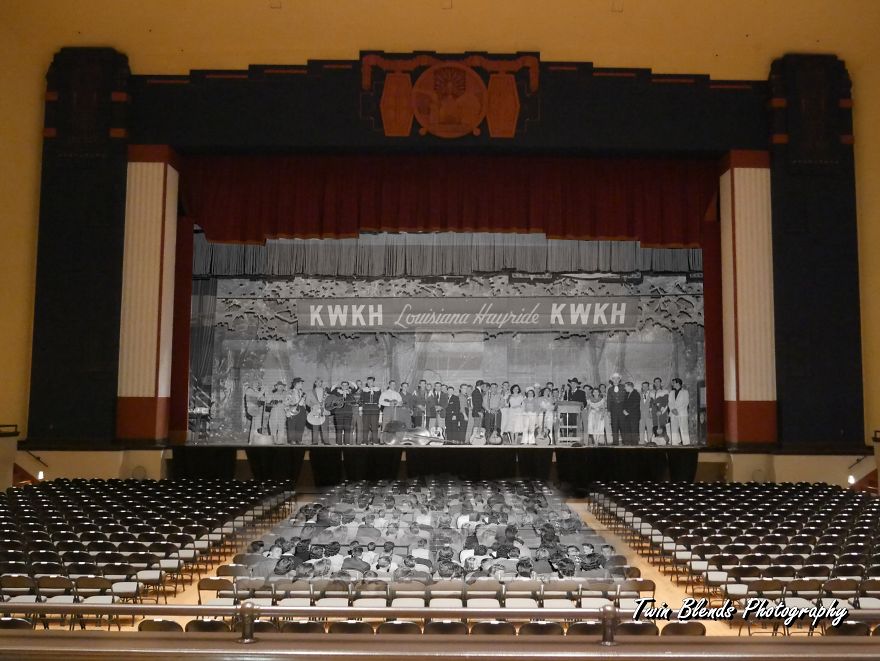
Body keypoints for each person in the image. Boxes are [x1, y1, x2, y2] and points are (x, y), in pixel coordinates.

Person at [305, 378, 331, 445]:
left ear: (322, 383)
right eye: (317, 382)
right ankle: (314, 442)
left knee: (325, 427)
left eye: (320, 382)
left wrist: (325, 405)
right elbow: (307, 402)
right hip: (315, 411)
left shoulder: (326, 392)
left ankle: (326, 442)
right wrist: (314, 405)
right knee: (315, 427)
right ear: (315, 383)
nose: (319, 383)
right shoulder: (310, 392)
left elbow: (329, 401)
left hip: (324, 411)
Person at [285, 378, 308, 445]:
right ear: (296, 384)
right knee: (292, 425)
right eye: (301, 383)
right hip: (293, 409)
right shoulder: (290, 392)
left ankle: (299, 440)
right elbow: (286, 403)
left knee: (301, 425)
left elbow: (304, 403)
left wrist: (305, 410)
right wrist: (287, 411)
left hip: (302, 410)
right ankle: (292, 440)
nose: (302, 385)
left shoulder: (302, 393)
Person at [606, 373, 627, 445]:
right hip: (613, 409)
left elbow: (627, 398)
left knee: (623, 425)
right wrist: (608, 411)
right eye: (614, 379)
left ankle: (625, 441)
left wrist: (626, 408)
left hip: (622, 408)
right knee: (614, 425)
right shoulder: (610, 389)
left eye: (617, 378)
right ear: (612, 380)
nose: (615, 380)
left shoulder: (624, 387)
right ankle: (615, 442)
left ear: (619, 379)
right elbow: (609, 400)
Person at [360, 376, 381, 445]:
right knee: (365, 425)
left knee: (375, 425)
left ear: (373, 382)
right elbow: (361, 400)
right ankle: (364, 441)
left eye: (371, 382)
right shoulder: (364, 390)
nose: (369, 383)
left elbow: (380, 399)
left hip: (375, 408)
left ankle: (375, 441)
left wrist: (379, 408)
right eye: (368, 382)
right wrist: (360, 409)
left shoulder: (378, 390)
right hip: (366, 408)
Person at [332, 381, 355, 445]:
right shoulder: (337, 393)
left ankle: (347, 443)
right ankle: (339, 443)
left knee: (347, 428)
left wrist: (349, 393)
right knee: (339, 428)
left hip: (348, 413)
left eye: (346, 385)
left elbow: (354, 402)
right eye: (343, 385)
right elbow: (331, 391)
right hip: (339, 413)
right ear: (341, 386)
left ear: (348, 386)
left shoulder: (350, 394)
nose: (344, 387)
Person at [669, 377, 691, 445]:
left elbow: (686, 403)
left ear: (678, 383)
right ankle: (675, 444)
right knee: (674, 430)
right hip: (673, 414)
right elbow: (669, 402)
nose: (672, 384)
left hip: (682, 413)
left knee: (684, 429)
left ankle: (686, 444)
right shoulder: (671, 392)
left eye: (674, 383)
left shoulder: (685, 392)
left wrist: (677, 410)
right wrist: (672, 409)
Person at [651, 378, 670, 443]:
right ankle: (657, 441)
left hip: (661, 412)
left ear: (661, 383)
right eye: (655, 382)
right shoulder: (652, 392)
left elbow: (666, 402)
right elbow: (650, 403)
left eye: (658, 382)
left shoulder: (665, 391)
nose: (657, 383)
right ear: (654, 383)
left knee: (662, 425)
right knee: (655, 425)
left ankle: (665, 441)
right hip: (654, 413)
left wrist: (661, 411)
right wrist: (650, 411)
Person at [622, 381, 641, 446]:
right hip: (627, 415)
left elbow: (635, 404)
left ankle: (635, 444)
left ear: (630, 386)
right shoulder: (627, 394)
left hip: (634, 415)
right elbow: (624, 403)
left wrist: (628, 411)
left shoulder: (636, 394)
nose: (625, 388)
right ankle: (628, 443)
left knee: (634, 430)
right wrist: (624, 410)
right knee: (628, 429)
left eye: (625, 386)